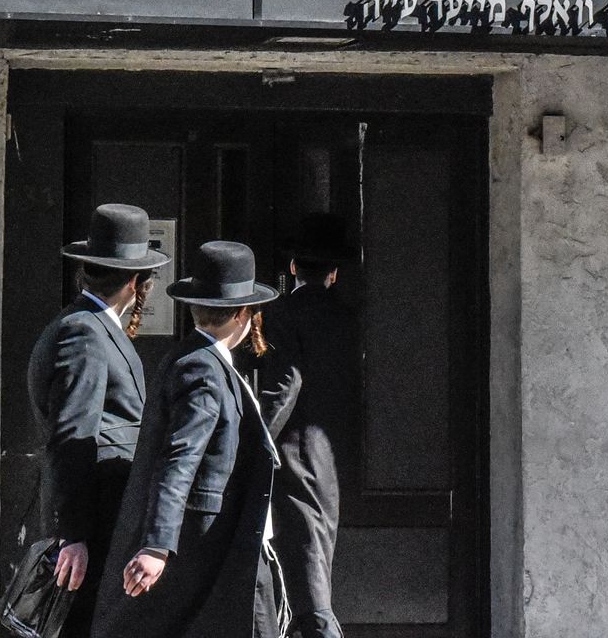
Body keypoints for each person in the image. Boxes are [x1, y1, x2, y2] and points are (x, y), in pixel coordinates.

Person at [91, 240, 285, 638]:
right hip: (206, 548)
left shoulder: (193, 359)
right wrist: (157, 546)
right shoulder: (202, 368)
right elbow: (178, 459)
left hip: (220, 546)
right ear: (244, 314)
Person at [26, 203, 169, 634]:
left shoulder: (87, 326)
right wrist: (73, 535)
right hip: (94, 526)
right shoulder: (84, 332)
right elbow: (73, 435)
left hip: (102, 523)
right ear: (133, 282)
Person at [258, 213, 363, 638]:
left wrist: (254, 442)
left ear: (293, 268)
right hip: (330, 460)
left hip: (292, 459)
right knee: (312, 569)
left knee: (306, 583)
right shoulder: (347, 318)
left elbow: (284, 386)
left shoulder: (281, 314)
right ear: (334, 274)